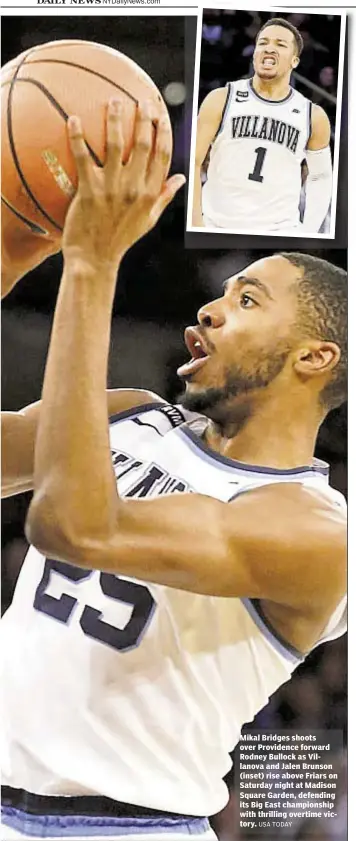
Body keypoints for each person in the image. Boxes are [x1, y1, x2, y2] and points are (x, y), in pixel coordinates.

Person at [1, 100, 346, 841]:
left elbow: (75, 526)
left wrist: (91, 265)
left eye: (246, 299)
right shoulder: (130, 414)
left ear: (314, 357)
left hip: (125, 826)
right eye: (220, 293)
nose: (212, 309)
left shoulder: (312, 530)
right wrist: (8, 259)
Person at [192, 17, 333, 233]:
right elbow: (194, 163)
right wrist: (195, 224)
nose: (269, 49)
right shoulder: (221, 98)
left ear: (294, 61)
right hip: (218, 225)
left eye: (280, 44)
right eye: (263, 43)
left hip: (281, 231)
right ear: (255, 53)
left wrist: (309, 232)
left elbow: (320, 176)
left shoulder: (313, 115)